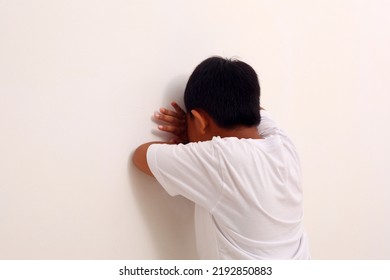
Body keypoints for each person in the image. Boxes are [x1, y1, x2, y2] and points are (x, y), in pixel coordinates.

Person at [133, 56, 310, 259]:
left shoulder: (221, 159)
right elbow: (259, 111)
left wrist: (195, 139)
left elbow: (141, 156)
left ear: (200, 121)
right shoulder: (283, 143)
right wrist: (198, 131)